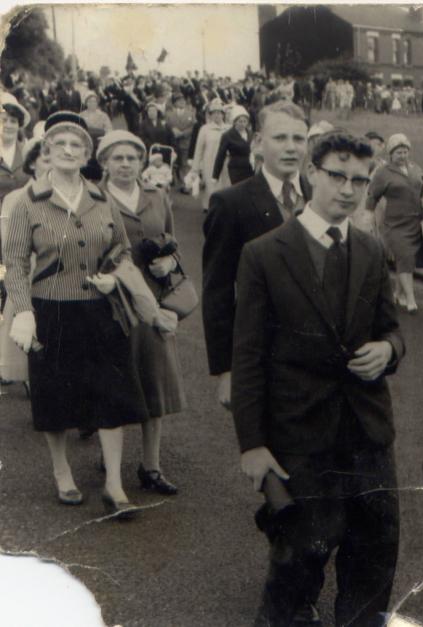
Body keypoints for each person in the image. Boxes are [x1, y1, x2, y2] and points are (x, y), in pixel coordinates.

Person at [232, 132, 404, 626]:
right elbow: (247, 358)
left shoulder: (370, 251)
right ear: (311, 173)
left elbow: (392, 328)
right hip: (299, 435)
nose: (348, 190)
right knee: (298, 560)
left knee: (374, 556)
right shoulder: (264, 254)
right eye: (337, 176)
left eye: (359, 180)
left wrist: (388, 349)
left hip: (367, 434)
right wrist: (252, 445)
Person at [3, 112, 151, 517]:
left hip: (100, 310)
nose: (68, 151)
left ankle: (115, 485)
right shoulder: (27, 202)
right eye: (60, 145)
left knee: (112, 394)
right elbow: (14, 262)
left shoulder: (102, 199)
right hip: (50, 310)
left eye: (77, 146)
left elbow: (122, 249)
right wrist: (22, 311)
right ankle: (61, 472)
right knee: (54, 395)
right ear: (47, 153)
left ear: (87, 155)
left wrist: (111, 279)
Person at [202, 100, 310, 410]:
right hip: (262, 354)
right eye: (280, 138)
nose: (291, 148)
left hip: (318, 357)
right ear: (258, 144)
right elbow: (217, 289)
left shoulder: (319, 196)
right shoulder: (230, 203)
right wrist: (226, 369)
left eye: (298, 139)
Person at [98, 130, 184, 496]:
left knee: (155, 380)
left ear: (142, 161)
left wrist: (169, 261)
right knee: (112, 382)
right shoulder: (93, 199)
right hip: (110, 300)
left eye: (132, 157)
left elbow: (172, 242)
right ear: (104, 163)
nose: (125, 164)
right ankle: (110, 456)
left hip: (152, 301)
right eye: (117, 158)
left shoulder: (157, 196)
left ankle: (151, 466)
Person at [0, 138, 48, 389]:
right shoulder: (16, 198)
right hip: (27, 274)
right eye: (46, 159)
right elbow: (9, 245)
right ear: (32, 163)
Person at [367, 133, 423, 313]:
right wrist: (368, 217)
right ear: (391, 154)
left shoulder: (416, 169)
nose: (403, 155)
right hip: (395, 224)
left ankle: (398, 293)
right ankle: (411, 299)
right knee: (404, 256)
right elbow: (372, 196)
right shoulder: (384, 173)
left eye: (405, 151)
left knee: (407, 260)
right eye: (398, 152)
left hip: (415, 221)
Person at [191, 98, 228, 211]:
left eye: (219, 113)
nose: (217, 116)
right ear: (210, 115)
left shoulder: (228, 128)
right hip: (209, 161)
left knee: (224, 184)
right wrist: (195, 168)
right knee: (210, 185)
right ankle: (210, 208)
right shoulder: (204, 129)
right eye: (214, 113)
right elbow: (198, 150)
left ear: (223, 115)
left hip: (225, 162)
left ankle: (223, 207)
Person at [212, 104, 253, 186]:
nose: (242, 124)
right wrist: (215, 176)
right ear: (234, 122)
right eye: (240, 121)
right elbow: (220, 156)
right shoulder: (227, 135)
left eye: (245, 121)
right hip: (236, 170)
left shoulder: (250, 134)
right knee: (238, 193)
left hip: (250, 169)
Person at [165, 93, 195, 176]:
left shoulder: (190, 113)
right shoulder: (169, 113)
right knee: (173, 162)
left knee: (184, 163)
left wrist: (182, 133)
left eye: (183, 100)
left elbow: (192, 127)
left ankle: (183, 182)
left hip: (185, 142)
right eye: (179, 100)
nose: (182, 102)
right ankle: (173, 179)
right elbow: (167, 125)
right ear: (174, 103)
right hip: (173, 142)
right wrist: (172, 130)